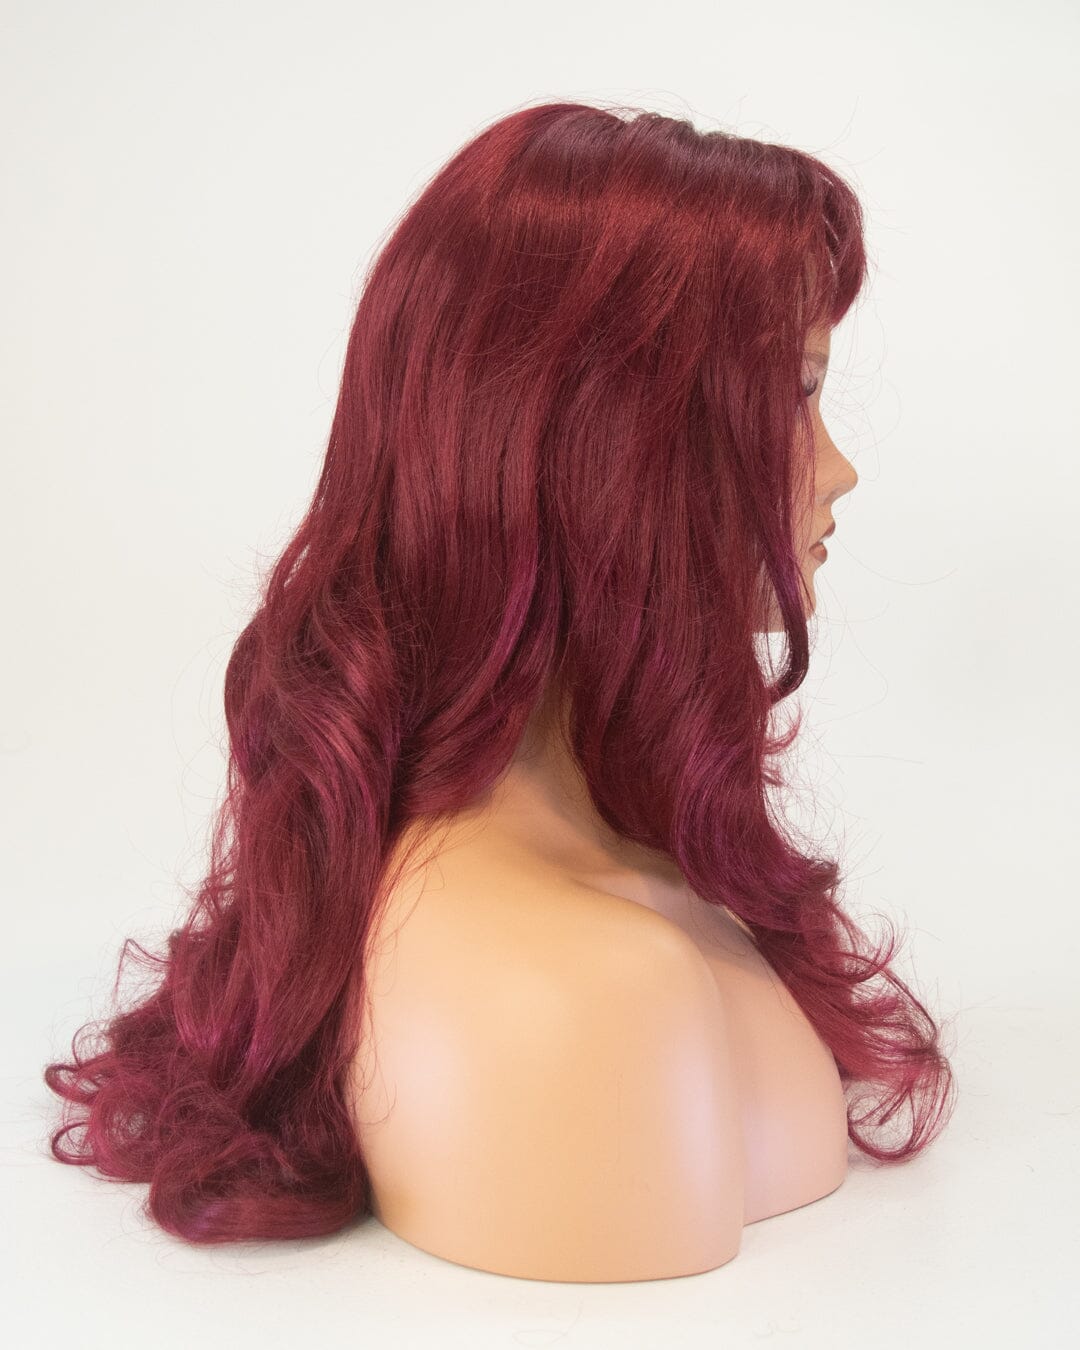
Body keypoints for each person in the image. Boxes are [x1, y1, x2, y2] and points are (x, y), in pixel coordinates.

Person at [43, 101, 956, 1281]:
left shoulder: (641, 892)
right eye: (791, 396)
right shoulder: (579, 994)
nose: (839, 469)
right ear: (607, 446)